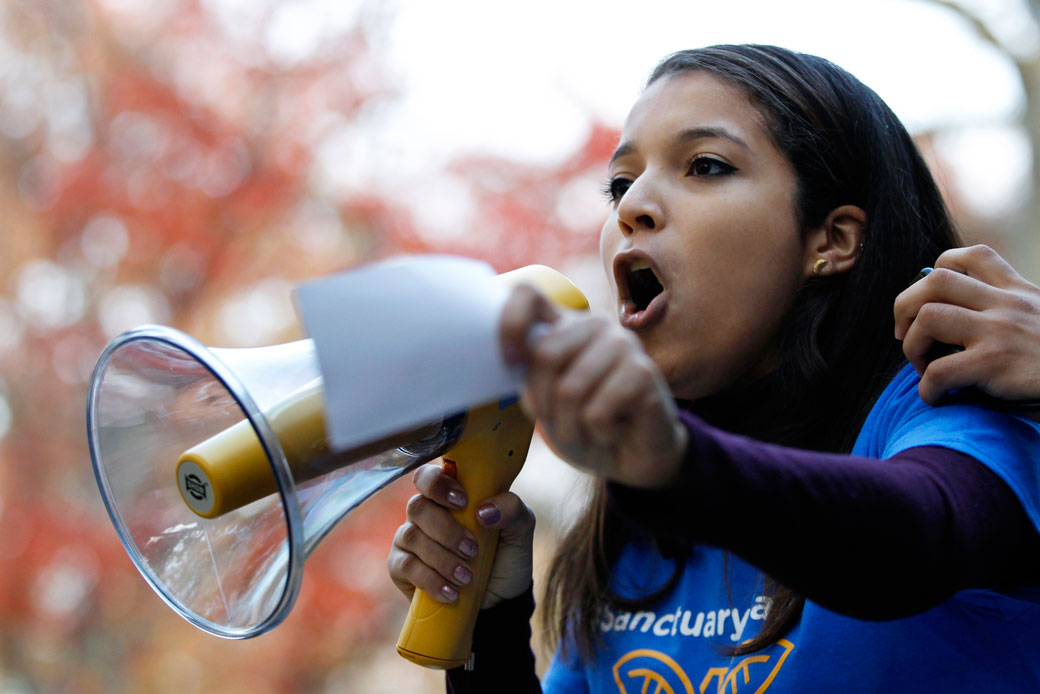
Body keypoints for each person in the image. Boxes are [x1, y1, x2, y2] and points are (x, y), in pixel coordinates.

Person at [386, 45, 1040, 692]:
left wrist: (672, 465)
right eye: (619, 183)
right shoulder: (634, 514)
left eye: (704, 165)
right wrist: (490, 625)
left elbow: (913, 542)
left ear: (832, 240)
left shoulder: (945, 398)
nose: (632, 204)